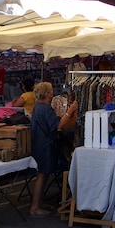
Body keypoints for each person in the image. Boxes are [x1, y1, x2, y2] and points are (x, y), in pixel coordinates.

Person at [30, 81, 78, 217]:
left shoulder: (39, 107)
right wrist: (70, 111)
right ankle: (35, 207)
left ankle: (37, 204)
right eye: (51, 91)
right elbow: (58, 125)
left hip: (40, 143)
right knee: (42, 174)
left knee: (43, 174)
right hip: (44, 145)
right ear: (47, 94)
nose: (52, 93)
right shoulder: (44, 109)